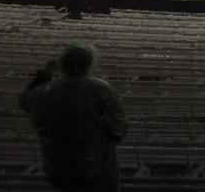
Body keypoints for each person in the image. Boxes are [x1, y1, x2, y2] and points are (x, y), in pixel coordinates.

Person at [19, 44, 127, 192]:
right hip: (98, 166)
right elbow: (119, 128)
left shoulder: (45, 91)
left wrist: (45, 75)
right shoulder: (101, 89)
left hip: (58, 165)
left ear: (62, 64)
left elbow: (25, 101)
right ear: (89, 65)